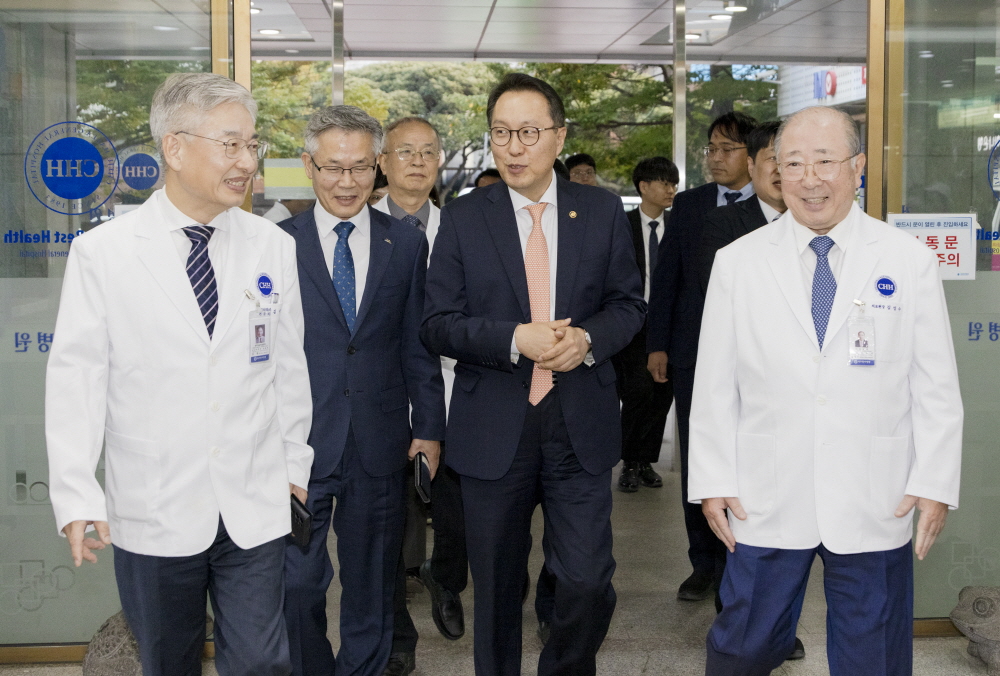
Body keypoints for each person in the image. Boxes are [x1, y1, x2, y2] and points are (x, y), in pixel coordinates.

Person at [45, 72, 314, 675]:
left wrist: (295, 465)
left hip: (254, 498)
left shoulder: (271, 246)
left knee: (263, 663)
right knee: (169, 660)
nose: (247, 161)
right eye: (230, 144)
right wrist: (76, 493)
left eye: (252, 145)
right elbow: (77, 380)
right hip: (154, 501)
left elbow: (289, 369)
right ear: (174, 146)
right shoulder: (105, 253)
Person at [691, 106, 963, 676]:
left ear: (857, 167)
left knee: (874, 654)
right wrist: (713, 478)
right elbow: (714, 384)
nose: (809, 179)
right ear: (774, 172)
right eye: (793, 163)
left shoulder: (907, 260)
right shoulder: (737, 264)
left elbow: (935, 382)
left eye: (824, 162)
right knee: (743, 646)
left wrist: (935, 481)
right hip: (764, 491)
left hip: (875, 490)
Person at [422, 72, 645, 676]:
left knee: (586, 578)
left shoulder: (601, 210)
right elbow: (437, 323)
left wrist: (588, 339)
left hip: (579, 422)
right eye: (501, 133)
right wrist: (511, 338)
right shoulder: (465, 218)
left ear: (559, 135)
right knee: (495, 585)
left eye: (528, 132)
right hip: (494, 422)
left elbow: (629, 306)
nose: (514, 147)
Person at [279, 105, 445, 676]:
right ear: (308, 165)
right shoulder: (277, 245)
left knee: (373, 584)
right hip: (299, 443)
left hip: (379, 440)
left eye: (358, 168)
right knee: (297, 582)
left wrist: (428, 427)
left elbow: (416, 344)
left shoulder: (404, 243)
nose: (345, 183)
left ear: (377, 166)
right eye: (331, 168)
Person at [646, 110, 757, 604]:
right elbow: (666, 277)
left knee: (752, 458)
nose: (715, 158)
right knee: (699, 457)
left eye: (726, 149)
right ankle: (703, 564)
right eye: (711, 148)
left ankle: (745, 563)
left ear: (753, 157)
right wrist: (658, 343)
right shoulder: (688, 206)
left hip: (756, 356)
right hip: (693, 350)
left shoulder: (778, 205)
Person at [373, 116, 467, 674]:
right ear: (382, 161)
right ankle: (394, 630)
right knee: (387, 519)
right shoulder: (353, 225)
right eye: (402, 151)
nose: (415, 161)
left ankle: (446, 579)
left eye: (427, 151)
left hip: (456, 391)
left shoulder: (461, 227)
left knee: (455, 508)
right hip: (383, 396)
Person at [615, 156, 678, 493]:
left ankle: (646, 462)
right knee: (637, 393)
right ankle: (628, 461)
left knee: (661, 395)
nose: (671, 189)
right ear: (644, 187)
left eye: (673, 183)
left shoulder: (679, 224)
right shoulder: (621, 225)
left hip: (667, 324)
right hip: (632, 325)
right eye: (664, 183)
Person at [698, 121, 785, 296]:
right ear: (751, 166)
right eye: (773, 158)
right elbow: (720, 290)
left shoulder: (814, 222)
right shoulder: (721, 222)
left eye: (793, 161)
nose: (781, 168)